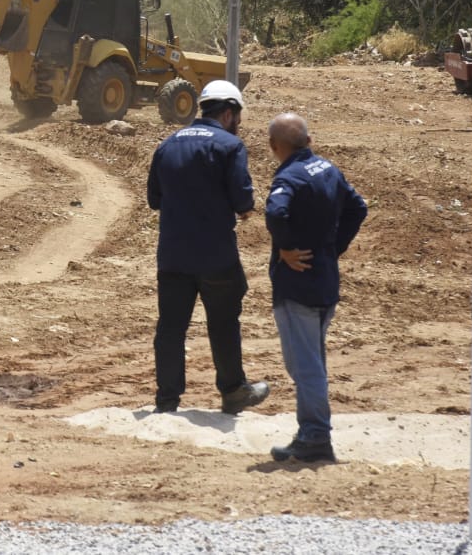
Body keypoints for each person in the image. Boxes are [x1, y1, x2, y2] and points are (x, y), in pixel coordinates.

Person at [146, 79, 269, 416]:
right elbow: (243, 200)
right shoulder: (229, 146)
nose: (239, 125)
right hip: (216, 255)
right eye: (238, 119)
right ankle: (232, 392)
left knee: (170, 327)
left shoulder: (167, 144)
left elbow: (154, 200)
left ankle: (166, 401)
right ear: (229, 113)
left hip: (172, 254)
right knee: (223, 324)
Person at [264, 112, 367, 463]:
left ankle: (315, 437)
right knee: (313, 362)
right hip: (325, 278)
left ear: (275, 147)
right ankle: (312, 431)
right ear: (308, 142)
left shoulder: (289, 178)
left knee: (304, 365)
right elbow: (358, 207)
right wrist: (334, 247)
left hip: (299, 285)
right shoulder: (328, 169)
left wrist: (286, 248)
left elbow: (276, 214)